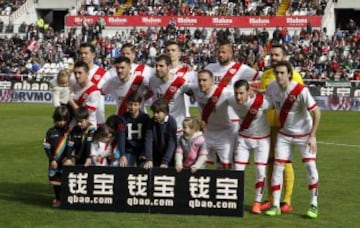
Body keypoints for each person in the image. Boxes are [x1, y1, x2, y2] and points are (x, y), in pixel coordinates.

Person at [264, 61, 321, 219]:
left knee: (310, 166)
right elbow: (268, 103)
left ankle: (314, 204)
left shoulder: (300, 90)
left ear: (289, 73)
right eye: (277, 73)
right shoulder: (272, 87)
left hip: (304, 134)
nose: (279, 76)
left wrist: (313, 136)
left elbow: (317, 113)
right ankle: (275, 205)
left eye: (282, 73)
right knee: (278, 166)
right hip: (284, 134)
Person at [259, 44, 304, 213]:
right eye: (271, 55)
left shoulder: (296, 76)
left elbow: (297, 98)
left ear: (284, 56)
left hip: (286, 127)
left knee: (284, 162)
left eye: (277, 55)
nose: (273, 58)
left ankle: (286, 200)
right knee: (269, 162)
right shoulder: (266, 75)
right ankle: (271, 199)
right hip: (267, 125)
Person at [228, 79, 271, 214]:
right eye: (236, 93)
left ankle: (257, 202)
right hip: (244, 138)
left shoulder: (261, 102)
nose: (238, 97)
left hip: (262, 140)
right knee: (238, 170)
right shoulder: (231, 100)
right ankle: (236, 201)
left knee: (260, 171)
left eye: (241, 93)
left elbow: (277, 100)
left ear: (249, 92)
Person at [192, 69, 234, 169]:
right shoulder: (196, 90)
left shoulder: (225, 93)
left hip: (224, 134)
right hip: (206, 133)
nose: (201, 83)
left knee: (225, 167)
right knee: (198, 164)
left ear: (212, 80)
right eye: (199, 80)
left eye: (204, 80)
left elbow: (241, 96)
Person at [149, 54, 194, 137]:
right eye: (156, 66)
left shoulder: (180, 82)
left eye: (161, 66)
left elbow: (194, 92)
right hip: (159, 126)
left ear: (169, 67)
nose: (158, 68)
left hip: (177, 128)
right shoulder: (152, 81)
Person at [72, 42, 111, 125]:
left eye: (86, 53)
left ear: (93, 55)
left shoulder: (103, 74)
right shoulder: (73, 74)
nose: (83, 56)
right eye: (81, 53)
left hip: (98, 119)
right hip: (78, 119)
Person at [42, 106, 70, 208]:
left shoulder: (69, 131)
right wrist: (52, 159)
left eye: (63, 120)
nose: (61, 122)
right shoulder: (50, 132)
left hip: (66, 161)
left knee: (66, 181)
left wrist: (69, 158)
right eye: (59, 120)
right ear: (55, 119)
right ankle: (58, 199)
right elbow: (47, 147)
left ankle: (66, 199)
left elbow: (71, 146)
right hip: (54, 162)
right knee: (56, 182)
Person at [118, 93, 150, 167]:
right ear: (126, 104)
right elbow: (121, 137)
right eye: (130, 104)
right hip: (129, 150)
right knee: (124, 167)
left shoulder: (145, 118)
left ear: (140, 105)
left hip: (142, 150)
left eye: (135, 105)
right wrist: (122, 155)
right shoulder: (122, 118)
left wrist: (145, 152)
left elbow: (148, 137)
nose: (133, 107)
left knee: (144, 170)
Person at [143, 99, 177, 169]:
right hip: (155, 154)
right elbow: (148, 140)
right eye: (154, 112)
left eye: (158, 112)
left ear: (165, 113)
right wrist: (149, 159)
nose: (155, 115)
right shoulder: (151, 121)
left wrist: (165, 162)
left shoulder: (171, 122)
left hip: (169, 156)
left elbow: (171, 143)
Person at [68, 61, 101, 126]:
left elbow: (85, 114)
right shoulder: (73, 84)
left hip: (87, 125)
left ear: (87, 73)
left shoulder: (94, 91)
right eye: (75, 73)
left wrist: (71, 102)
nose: (77, 76)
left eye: (80, 73)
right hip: (74, 123)